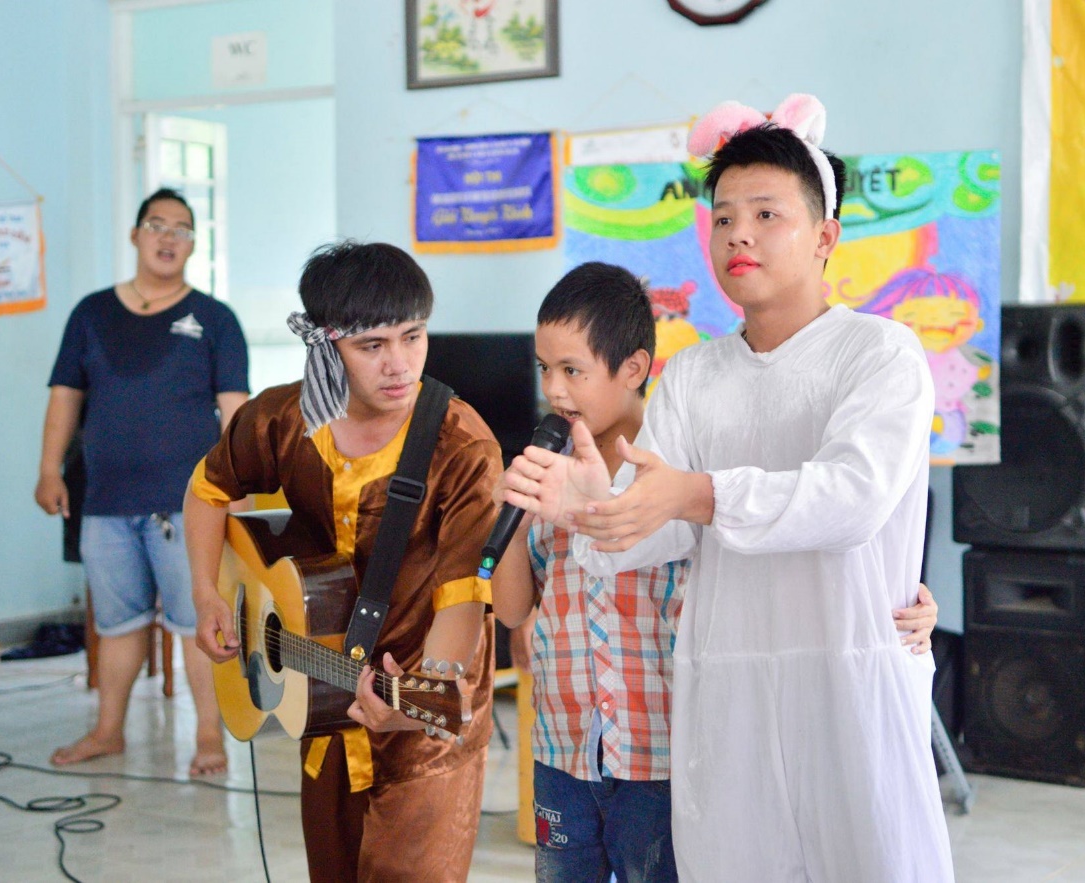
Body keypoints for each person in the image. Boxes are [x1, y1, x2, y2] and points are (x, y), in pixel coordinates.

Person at [500, 95, 955, 882]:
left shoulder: (881, 353)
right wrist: (589, 509)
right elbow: (650, 533)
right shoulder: (697, 375)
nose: (738, 232)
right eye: (722, 217)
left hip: (845, 679)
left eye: (767, 213)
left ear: (825, 235)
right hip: (725, 691)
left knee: (870, 860)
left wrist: (697, 495)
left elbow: (851, 499)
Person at [184, 240, 501, 882]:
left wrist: (424, 691)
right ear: (325, 347)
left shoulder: (461, 447)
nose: (400, 364)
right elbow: (207, 489)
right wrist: (207, 594)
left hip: (425, 712)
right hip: (319, 700)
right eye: (372, 345)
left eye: (413, 337)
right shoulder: (280, 419)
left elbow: (465, 596)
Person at [35, 187, 248, 777]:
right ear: (135, 235)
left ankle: (209, 735)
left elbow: (236, 411)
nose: (168, 236)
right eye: (157, 224)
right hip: (104, 501)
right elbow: (65, 398)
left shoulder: (214, 318)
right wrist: (50, 469)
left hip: (191, 507)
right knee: (119, 624)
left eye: (181, 228)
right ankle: (108, 731)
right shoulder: (91, 314)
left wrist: (239, 484)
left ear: (192, 244)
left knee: (196, 626)